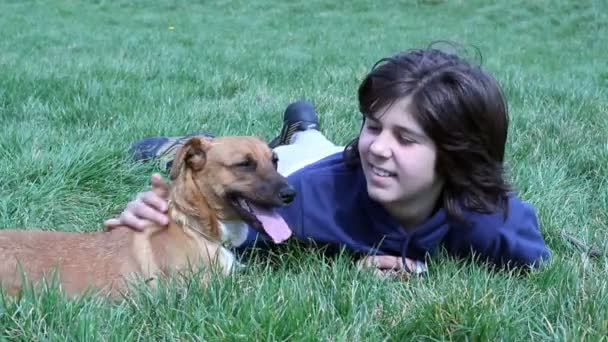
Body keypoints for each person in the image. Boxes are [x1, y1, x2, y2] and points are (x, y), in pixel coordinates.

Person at [105, 45, 552, 275]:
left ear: (455, 158)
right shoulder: (313, 202)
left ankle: (304, 127)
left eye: (407, 138)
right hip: (323, 169)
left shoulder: (491, 222)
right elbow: (224, 227)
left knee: (316, 147)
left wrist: (422, 267)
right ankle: (290, 133)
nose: (379, 145)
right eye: (373, 125)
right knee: (296, 159)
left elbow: (538, 265)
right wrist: (164, 217)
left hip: (342, 166)